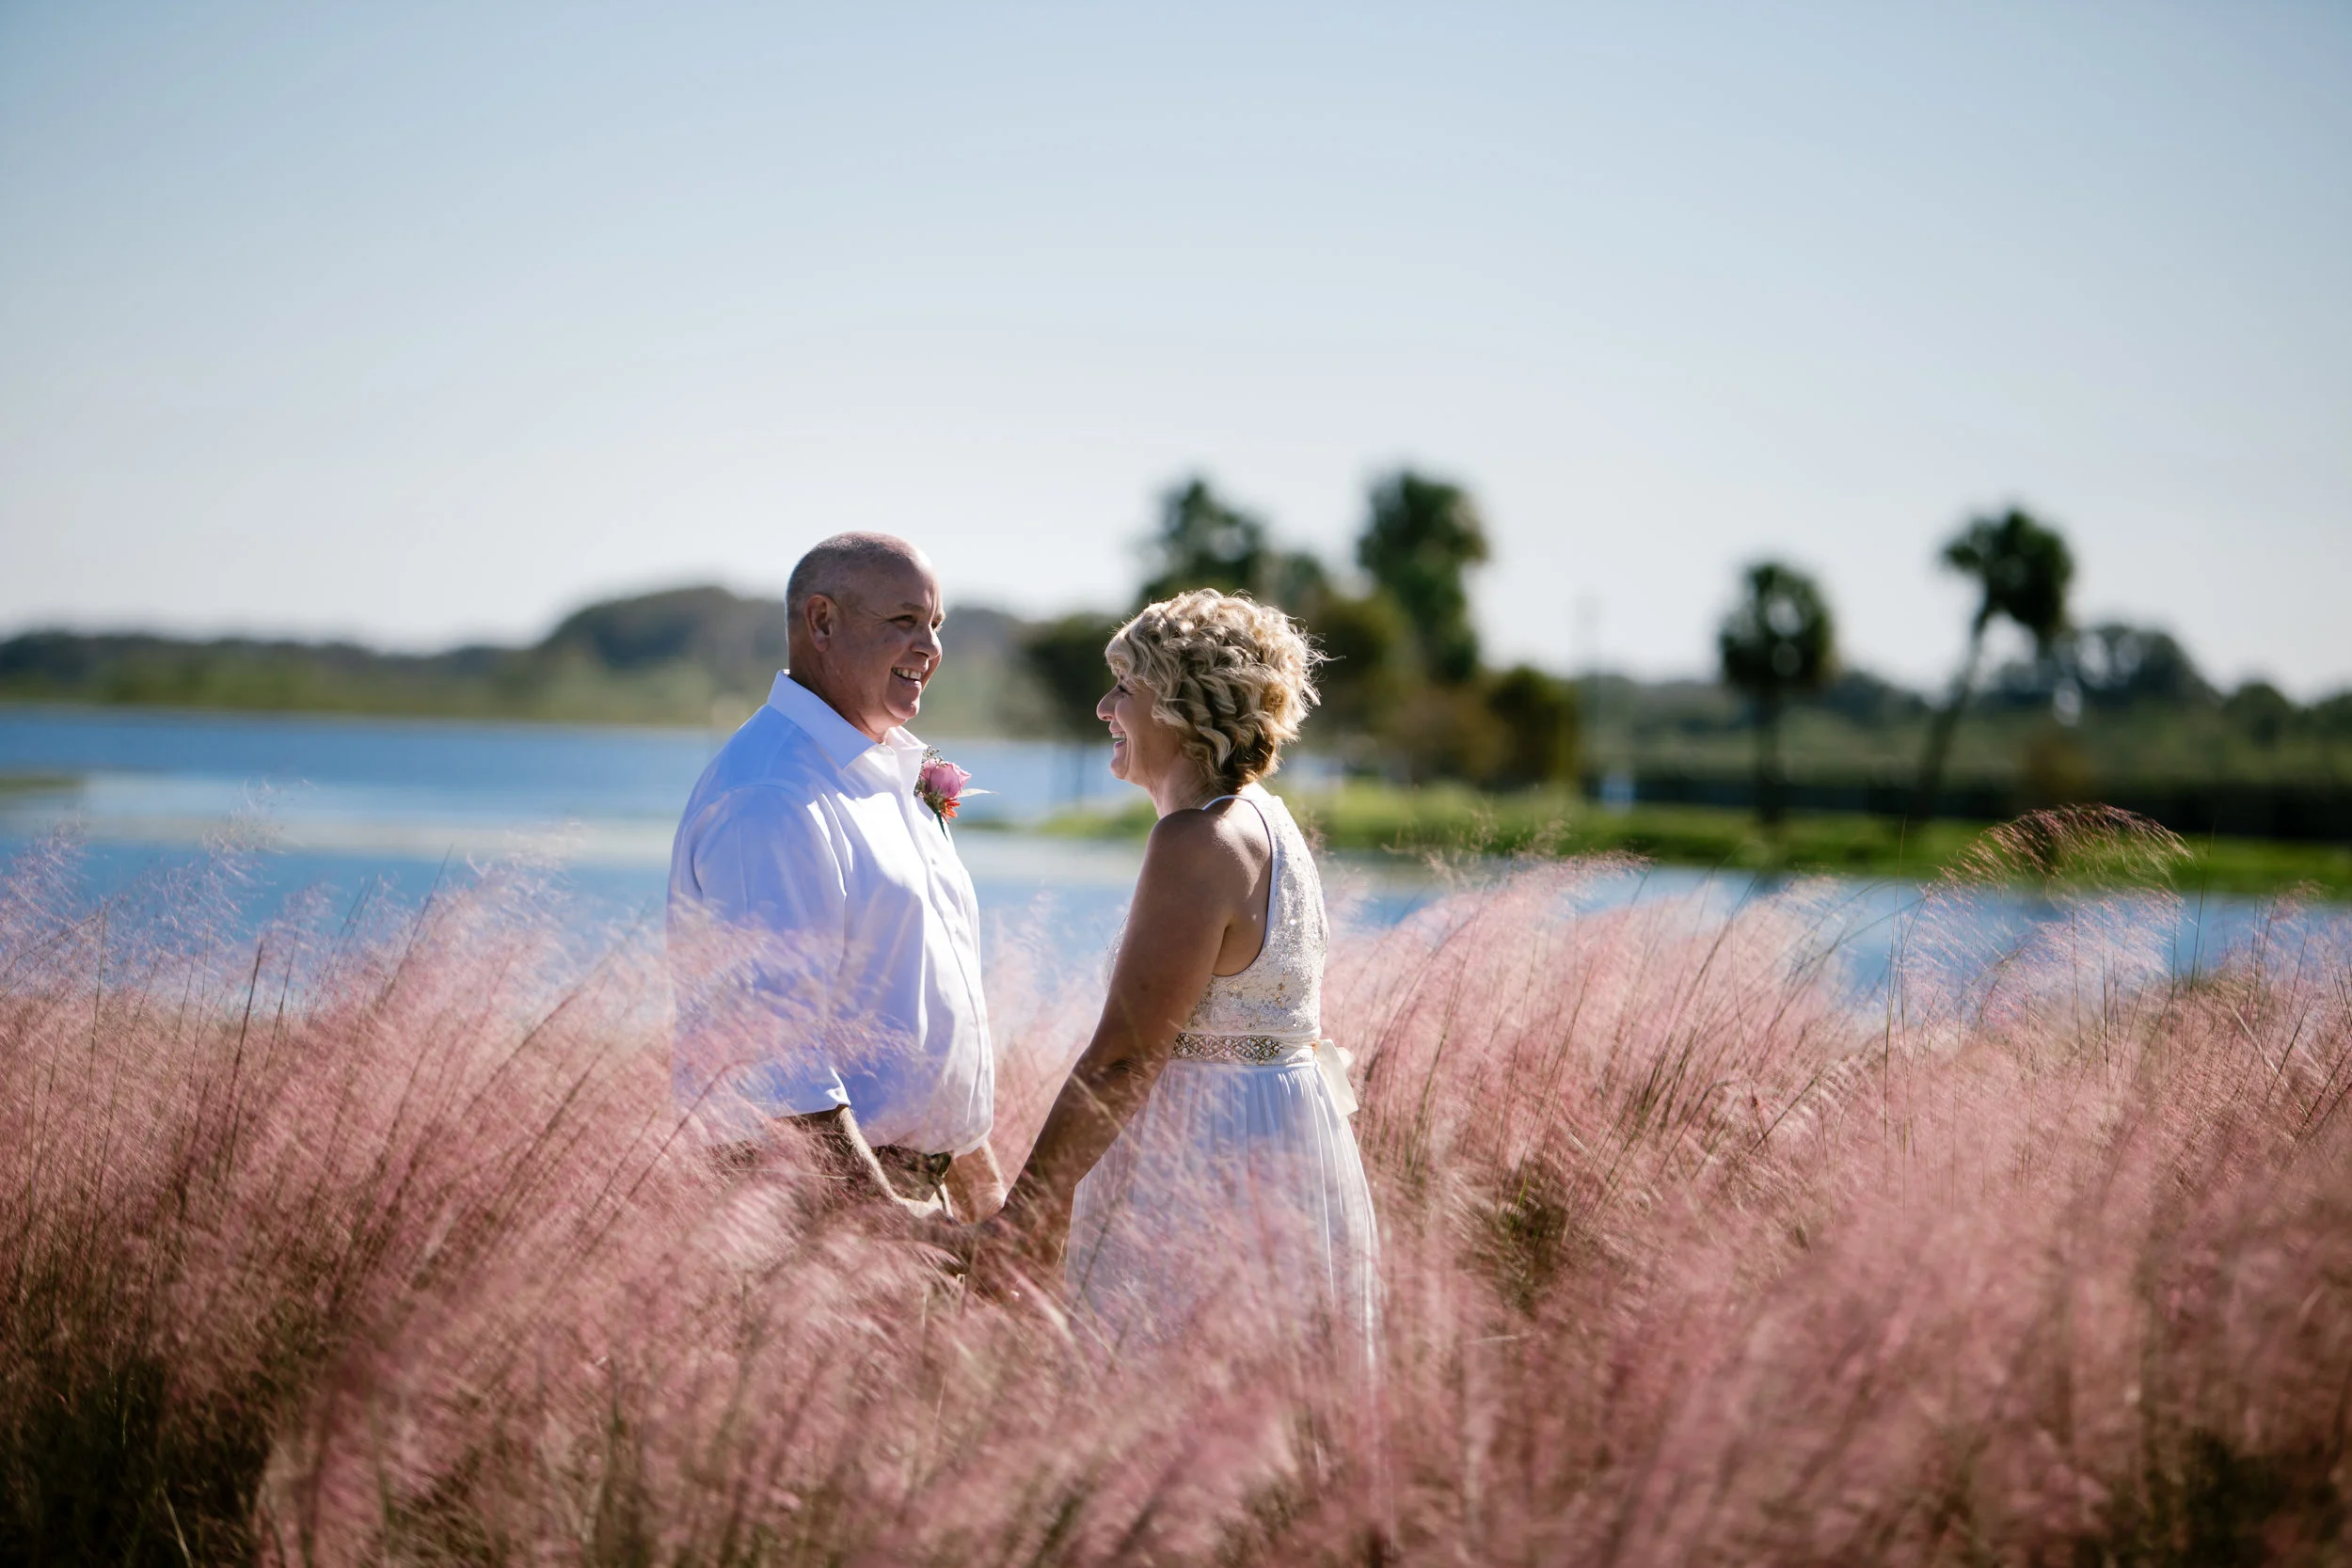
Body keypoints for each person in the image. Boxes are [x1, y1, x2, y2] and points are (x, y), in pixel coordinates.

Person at [980, 589, 1378, 1353]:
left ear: (1182, 707)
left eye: (1124, 687)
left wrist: (1023, 1216)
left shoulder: (1197, 842)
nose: (1104, 707)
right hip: (1286, 1142)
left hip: (1209, 1159)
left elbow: (1125, 1055)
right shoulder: (1271, 820)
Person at [667, 531, 1004, 1223]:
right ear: (821, 621)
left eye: (936, 625)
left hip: (911, 1197)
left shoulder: (894, 772)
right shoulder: (772, 795)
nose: (930, 648)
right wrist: (887, 1224)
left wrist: (981, 1194)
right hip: (820, 1212)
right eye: (905, 621)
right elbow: (776, 1055)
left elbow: (928, 1014)